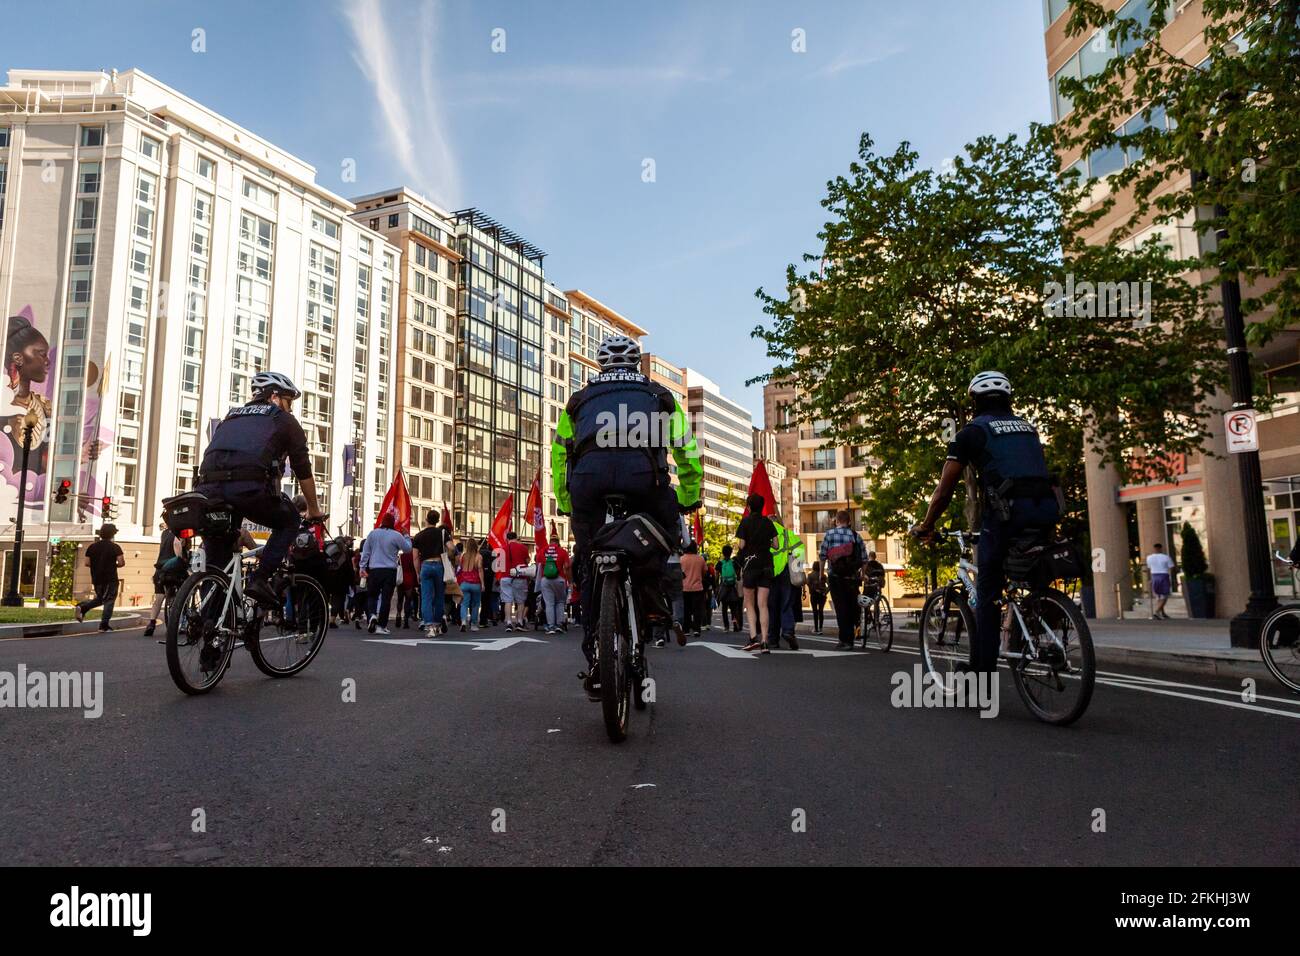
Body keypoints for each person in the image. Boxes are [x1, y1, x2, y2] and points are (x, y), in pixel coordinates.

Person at [551, 334, 703, 696]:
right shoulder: (661, 397)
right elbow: (686, 452)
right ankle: (652, 602)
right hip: (644, 483)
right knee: (660, 541)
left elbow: (559, 457)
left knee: (588, 562)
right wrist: (689, 496)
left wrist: (566, 500)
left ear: (601, 366)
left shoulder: (577, 401)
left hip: (589, 485)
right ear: (635, 364)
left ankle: (596, 655)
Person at [911, 371, 1060, 674]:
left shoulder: (971, 432)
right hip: (1046, 510)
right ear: (1008, 399)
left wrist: (927, 524)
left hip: (1006, 515)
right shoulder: (1028, 428)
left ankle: (983, 675)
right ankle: (1035, 622)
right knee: (1026, 573)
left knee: (988, 594)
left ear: (974, 401)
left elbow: (944, 489)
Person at [193, 371, 321, 608]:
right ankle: (260, 580)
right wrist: (314, 509)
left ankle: (209, 629)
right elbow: (303, 470)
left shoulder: (229, 418)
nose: (290, 409)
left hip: (208, 493)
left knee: (217, 565)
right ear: (274, 397)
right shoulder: (283, 420)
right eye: (288, 401)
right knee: (289, 520)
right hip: (249, 490)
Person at [736, 494, 778, 654]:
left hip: (750, 565)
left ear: (749, 506)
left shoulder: (745, 522)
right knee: (763, 604)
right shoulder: (768, 522)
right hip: (766, 565)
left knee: (749, 603)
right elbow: (775, 544)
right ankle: (765, 641)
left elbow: (741, 545)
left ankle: (753, 637)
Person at [820, 510, 867, 649]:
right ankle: (847, 638)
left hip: (835, 577)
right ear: (849, 522)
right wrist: (863, 574)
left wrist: (821, 573)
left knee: (841, 608)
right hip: (851, 578)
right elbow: (863, 558)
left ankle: (845, 640)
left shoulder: (829, 534)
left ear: (836, 521)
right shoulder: (855, 536)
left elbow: (823, 556)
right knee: (851, 607)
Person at [359, 513, 411, 635]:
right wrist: (406, 536)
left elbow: (366, 551)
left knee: (372, 596)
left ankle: (371, 615)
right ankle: (382, 625)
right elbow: (408, 549)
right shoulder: (396, 535)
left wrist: (362, 567)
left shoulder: (373, 534)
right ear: (393, 523)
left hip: (374, 570)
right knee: (386, 599)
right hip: (389, 571)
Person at [76, 523, 125, 631]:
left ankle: (82, 608)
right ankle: (104, 625)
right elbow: (121, 562)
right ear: (112, 534)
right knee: (109, 601)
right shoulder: (115, 547)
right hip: (110, 578)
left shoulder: (92, 546)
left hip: (96, 578)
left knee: (101, 599)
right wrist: (113, 565)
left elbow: (87, 563)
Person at [143, 518, 185, 638]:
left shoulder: (164, 533)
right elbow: (177, 544)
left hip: (160, 568)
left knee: (159, 597)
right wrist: (180, 558)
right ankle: (177, 623)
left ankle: (151, 623)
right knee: (179, 594)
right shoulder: (179, 531)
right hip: (172, 568)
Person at [766, 516, 803, 650]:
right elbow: (800, 550)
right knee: (786, 604)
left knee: (771, 607)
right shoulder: (788, 534)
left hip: (770, 574)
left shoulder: (765, 535)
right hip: (787, 573)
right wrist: (796, 570)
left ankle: (772, 639)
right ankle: (788, 631)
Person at [411, 511, 449, 635]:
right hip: (439, 565)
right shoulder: (443, 533)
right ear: (438, 521)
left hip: (425, 566)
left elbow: (415, 558)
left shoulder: (418, 536)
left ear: (426, 519)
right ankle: (438, 623)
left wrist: (417, 573)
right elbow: (452, 548)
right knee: (439, 596)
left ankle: (429, 624)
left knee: (426, 597)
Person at [537, 531, 571, 635]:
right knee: (560, 602)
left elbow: (538, 563)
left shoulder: (543, 551)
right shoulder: (563, 552)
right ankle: (559, 625)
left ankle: (551, 626)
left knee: (549, 604)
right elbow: (567, 567)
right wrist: (569, 580)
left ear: (550, 541)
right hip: (560, 579)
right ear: (558, 542)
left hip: (546, 580)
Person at [499, 531, 532, 632]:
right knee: (520, 601)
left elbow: (499, 565)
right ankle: (519, 622)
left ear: (507, 539)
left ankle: (508, 622)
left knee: (508, 601)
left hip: (505, 577)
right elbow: (527, 561)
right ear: (516, 537)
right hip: (519, 576)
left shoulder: (502, 550)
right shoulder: (523, 548)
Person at [678, 540, 707, 641]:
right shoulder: (701, 559)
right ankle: (696, 629)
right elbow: (704, 572)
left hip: (684, 588)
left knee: (686, 609)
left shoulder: (681, 559)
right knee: (697, 609)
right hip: (697, 587)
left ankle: (686, 629)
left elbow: (679, 574)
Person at [455, 538, 484, 632]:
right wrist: (483, 584)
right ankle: (473, 624)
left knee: (464, 604)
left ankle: (463, 621)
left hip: (464, 583)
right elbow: (480, 570)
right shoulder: (479, 556)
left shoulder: (463, 556)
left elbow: (459, 568)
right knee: (475, 605)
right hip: (475, 583)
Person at [716, 544, 743, 632]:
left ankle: (726, 627)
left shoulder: (720, 563)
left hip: (724, 587)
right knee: (733, 608)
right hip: (732, 588)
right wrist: (737, 577)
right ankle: (735, 624)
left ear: (723, 553)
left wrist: (716, 586)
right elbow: (738, 573)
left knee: (724, 608)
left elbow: (716, 576)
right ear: (731, 552)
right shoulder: (734, 562)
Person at [1146, 542, 1176, 620]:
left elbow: (1148, 569)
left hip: (1154, 576)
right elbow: (1172, 567)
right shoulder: (1166, 557)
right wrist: (1169, 574)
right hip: (1163, 575)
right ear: (1160, 548)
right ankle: (1156, 611)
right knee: (1165, 595)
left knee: (1158, 596)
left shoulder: (1149, 557)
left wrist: (1149, 579)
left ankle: (1162, 613)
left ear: (1154, 548)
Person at [478, 537, 497, 627]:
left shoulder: (477, 553)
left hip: (476, 577)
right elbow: (495, 567)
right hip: (489, 577)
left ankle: (472, 620)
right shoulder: (491, 554)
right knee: (486, 599)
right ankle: (483, 620)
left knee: (474, 600)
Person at [807, 560, 828, 635]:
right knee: (821, 611)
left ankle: (816, 628)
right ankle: (821, 628)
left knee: (815, 611)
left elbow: (808, 584)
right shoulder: (823, 575)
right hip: (822, 595)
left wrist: (814, 589)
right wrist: (825, 592)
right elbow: (829, 585)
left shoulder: (810, 575)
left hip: (813, 595)